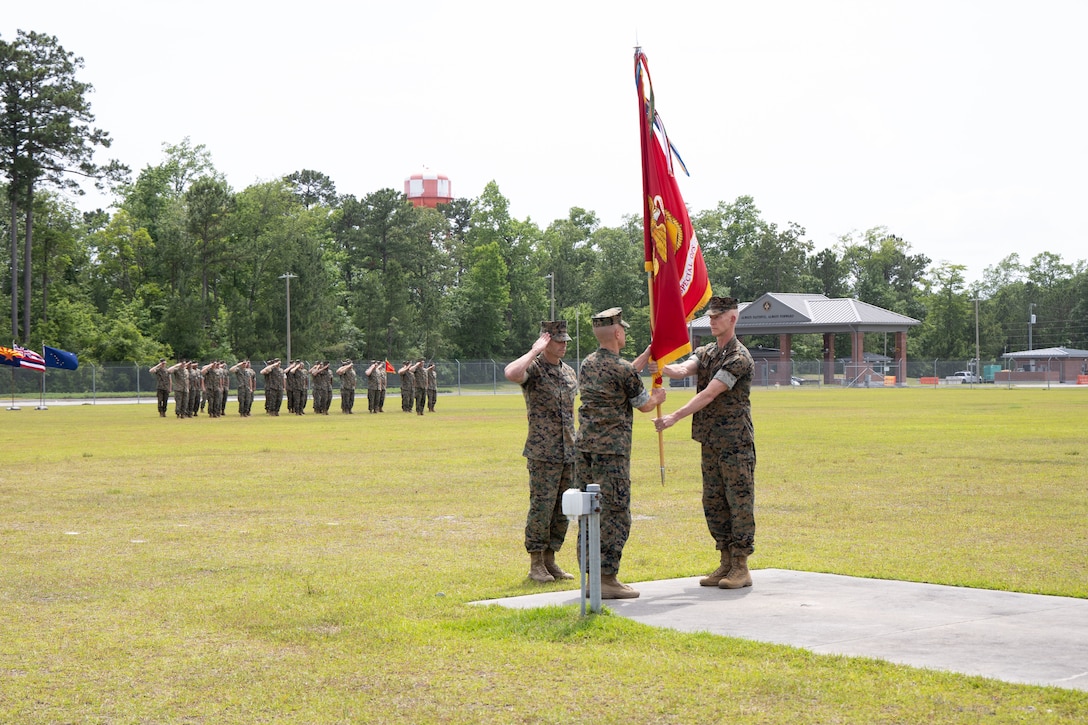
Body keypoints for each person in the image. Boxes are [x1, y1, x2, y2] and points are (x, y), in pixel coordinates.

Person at [653, 295, 756, 589]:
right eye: (709, 317)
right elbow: (684, 370)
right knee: (713, 501)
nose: (711, 322)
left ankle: (740, 566)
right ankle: (725, 561)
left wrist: (675, 416)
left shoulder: (739, 357)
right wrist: (662, 364)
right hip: (710, 441)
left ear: (732, 319)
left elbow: (710, 393)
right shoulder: (707, 351)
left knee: (738, 502)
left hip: (734, 442)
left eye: (716, 317)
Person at [576, 307, 665, 599]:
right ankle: (608, 579)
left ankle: (592, 576)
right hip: (611, 453)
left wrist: (649, 352)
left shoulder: (588, 364)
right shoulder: (623, 369)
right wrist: (658, 397)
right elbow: (644, 404)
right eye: (623, 329)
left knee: (589, 511)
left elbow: (623, 373)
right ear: (616, 332)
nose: (624, 333)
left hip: (586, 451)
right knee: (614, 512)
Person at [504, 321, 578, 583]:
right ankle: (536, 563)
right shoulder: (533, 370)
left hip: (569, 452)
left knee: (563, 510)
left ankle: (551, 560)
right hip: (542, 451)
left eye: (565, 341)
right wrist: (534, 351)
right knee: (541, 508)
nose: (563, 345)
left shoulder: (569, 373)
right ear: (546, 343)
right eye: (557, 341)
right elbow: (511, 373)